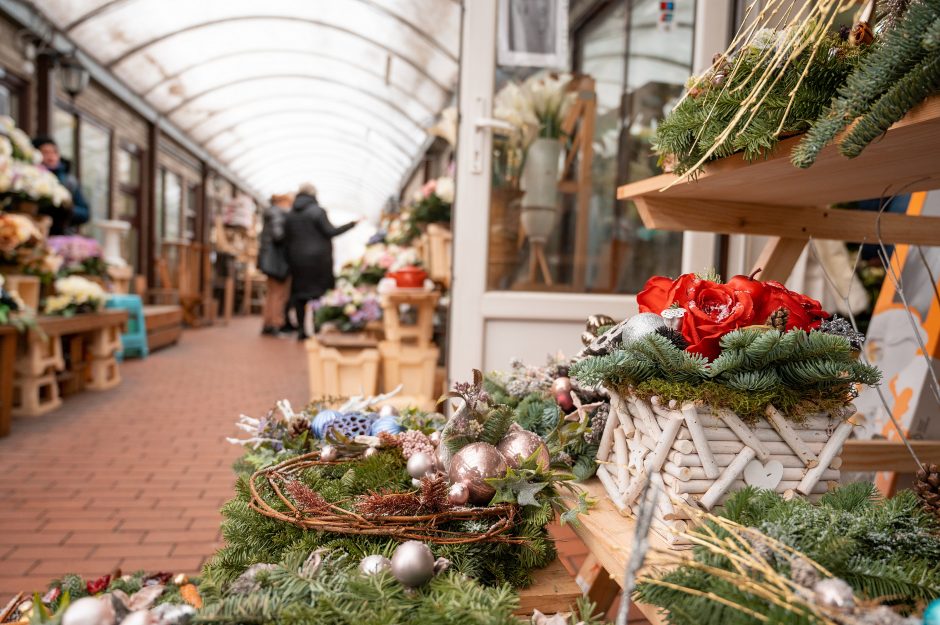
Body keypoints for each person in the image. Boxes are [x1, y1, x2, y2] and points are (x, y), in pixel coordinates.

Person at [284, 183, 357, 340]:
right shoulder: (317, 211)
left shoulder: (291, 214)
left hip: (297, 259)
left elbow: (286, 239)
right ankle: (317, 329)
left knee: (299, 295)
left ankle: (302, 331)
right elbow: (331, 231)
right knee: (318, 295)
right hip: (318, 260)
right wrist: (352, 224)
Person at [32, 136, 90, 235]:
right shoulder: (29, 177)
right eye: (45, 152)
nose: (51, 157)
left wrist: (67, 210)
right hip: (33, 230)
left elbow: (85, 213)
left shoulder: (69, 181)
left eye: (54, 152)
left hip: (61, 235)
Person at [258, 193, 293, 336]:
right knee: (279, 294)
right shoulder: (278, 213)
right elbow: (278, 235)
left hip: (269, 259)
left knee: (272, 293)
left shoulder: (271, 212)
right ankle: (275, 324)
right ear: (283, 201)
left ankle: (268, 323)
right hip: (276, 261)